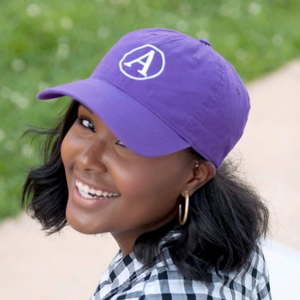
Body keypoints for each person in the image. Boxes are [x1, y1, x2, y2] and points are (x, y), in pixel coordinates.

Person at [22, 28, 271, 299]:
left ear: (194, 175)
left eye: (127, 142)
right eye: (87, 123)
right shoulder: (229, 238)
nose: (86, 158)